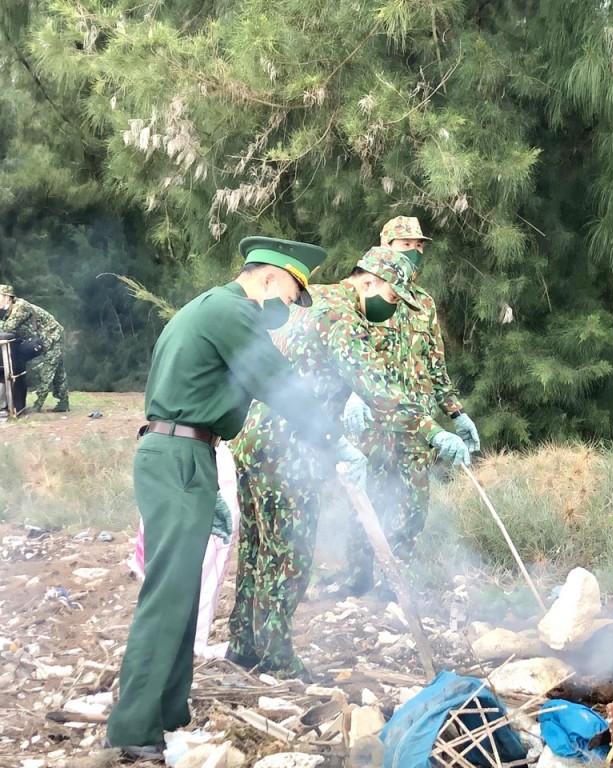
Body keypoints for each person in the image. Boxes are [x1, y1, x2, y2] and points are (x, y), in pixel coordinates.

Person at [104, 237, 367, 761]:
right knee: (167, 595)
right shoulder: (233, 311)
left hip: (185, 453)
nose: (291, 309)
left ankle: (168, 714)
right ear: (269, 278)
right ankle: (132, 731)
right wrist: (336, 441)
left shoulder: (209, 308)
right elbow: (280, 383)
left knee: (181, 594)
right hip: (178, 454)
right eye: (293, 295)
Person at [225, 247, 471, 678]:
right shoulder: (340, 315)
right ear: (370, 282)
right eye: (394, 299)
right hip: (290, 447)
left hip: (251, 437)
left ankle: (244, 645)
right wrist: (433, 430)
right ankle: (277, 659)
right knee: (290, 554)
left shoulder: (309, 298)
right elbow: (376, 386)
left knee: (257, 549)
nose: (393, 310)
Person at [338, 216, 480, 597]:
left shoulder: (424, 304)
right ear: (385, 244)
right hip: (372, 419)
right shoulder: (363, 292)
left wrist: (455, 412)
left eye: (420, 246)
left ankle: (394, 583)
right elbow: (345, 349)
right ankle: (357, 579)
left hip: (417, 423)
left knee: (412, 504)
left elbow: (436, 365)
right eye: (407, 245)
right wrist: (353, 391)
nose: (416, 252)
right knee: (365, 497)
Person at [0, 284, 69, 412]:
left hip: (51, 335)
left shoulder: (20, 307)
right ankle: (64, 402)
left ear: (7, 298)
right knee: (57, 369)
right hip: (45, 336)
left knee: (47, 370)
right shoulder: (9, 309)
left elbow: (7, 327)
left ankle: (38, 405)